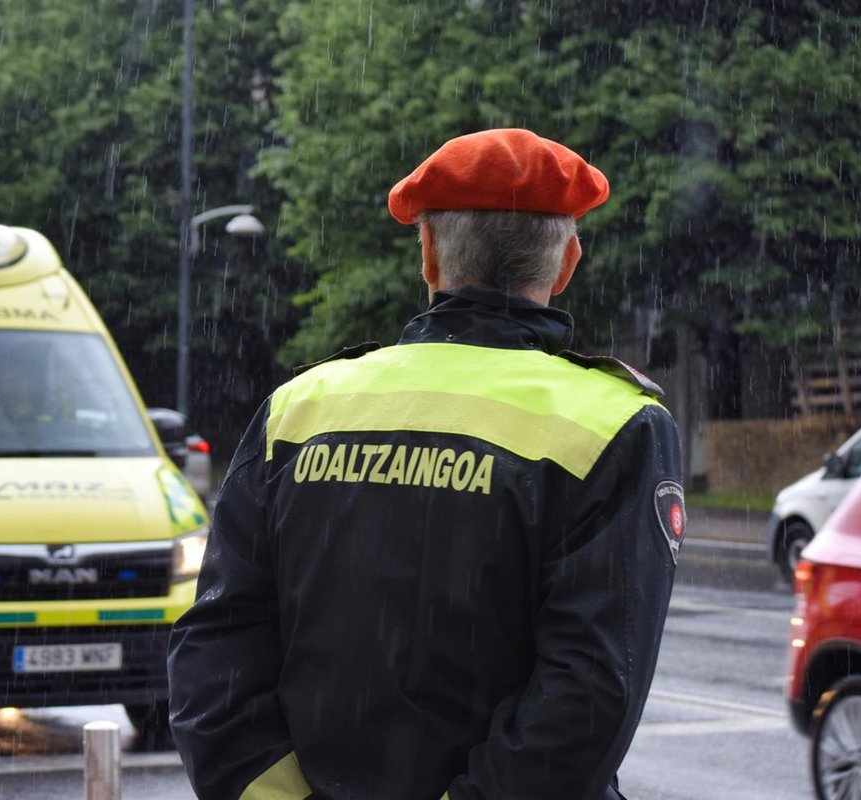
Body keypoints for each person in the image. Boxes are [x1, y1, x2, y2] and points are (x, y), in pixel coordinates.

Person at [168, 129, 684, 800]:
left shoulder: (299, 411)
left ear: (429, 255)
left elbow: (215, 647)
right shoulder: (618, 427)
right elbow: (588, 696)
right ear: (566, 264)